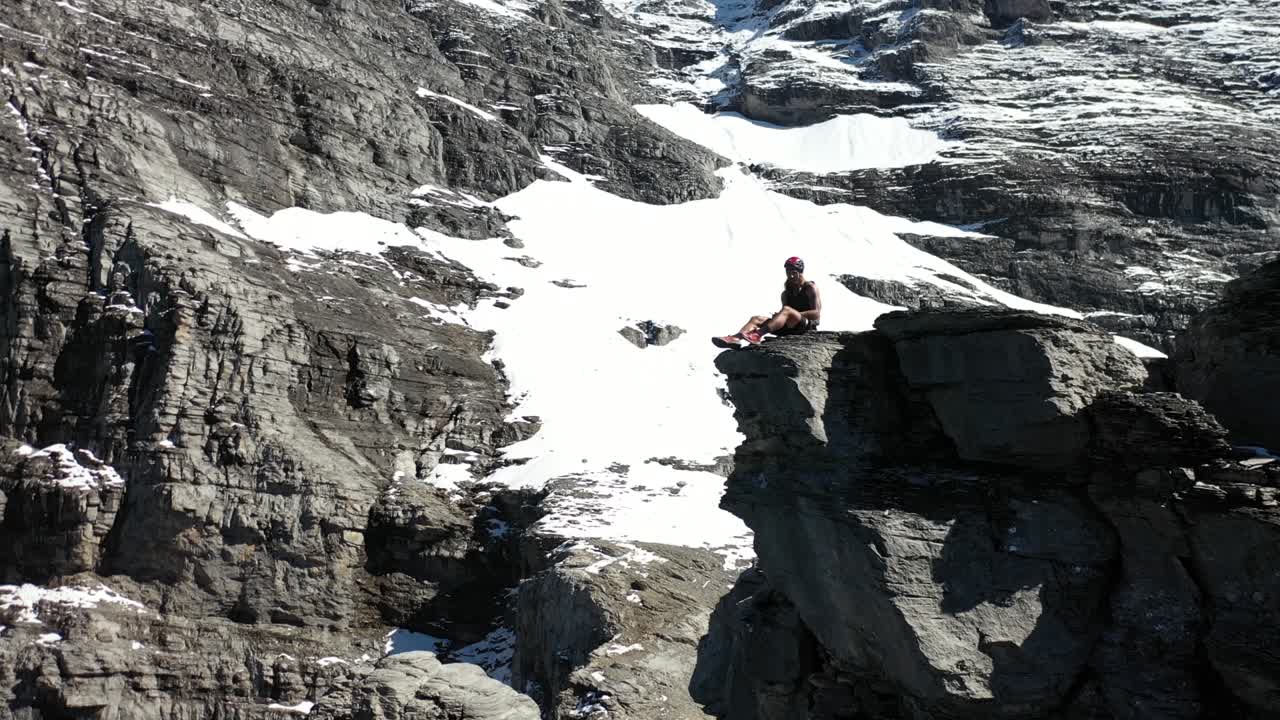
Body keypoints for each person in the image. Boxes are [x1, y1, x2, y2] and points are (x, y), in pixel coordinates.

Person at [714, 256, 822, 347]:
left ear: (800, 272)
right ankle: (735, 338)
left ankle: (757, 335)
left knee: (786, 310)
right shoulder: (786, 293)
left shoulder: (810, 287)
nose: (791, 275)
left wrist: (789, 314)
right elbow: (785, 314)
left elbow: (816, 313)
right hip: (790, 328)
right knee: (756, 319)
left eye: (793, 272)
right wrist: (780, 316)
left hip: (806, 327)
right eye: (788, 272)